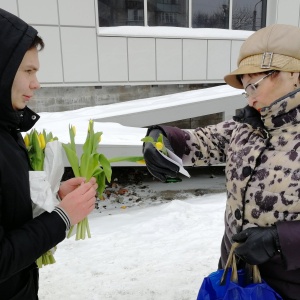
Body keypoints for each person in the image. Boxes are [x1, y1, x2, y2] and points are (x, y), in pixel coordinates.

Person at [143, 23, 300, 299]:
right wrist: (161, 138)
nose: (250, 96)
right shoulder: (249, 125)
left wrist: (280, 241)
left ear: (294, 75)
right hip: (235, 274)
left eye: (255, 83)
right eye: (244, 86)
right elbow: (201, 141)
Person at [0, 9, 98, 299]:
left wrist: (55, 196)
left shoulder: (8, 128)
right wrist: (62, 218)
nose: (36, 83)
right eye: (28, 71)